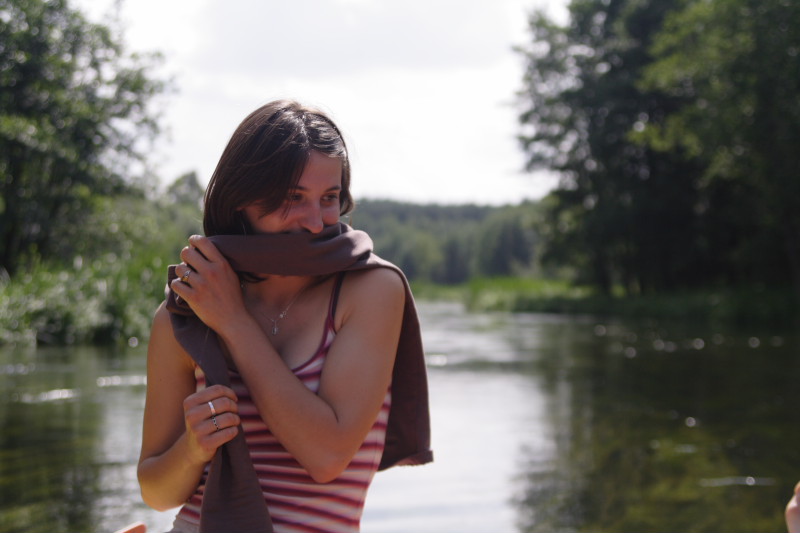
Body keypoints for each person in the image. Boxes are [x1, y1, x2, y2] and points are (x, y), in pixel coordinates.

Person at [137, 100, 432, 533]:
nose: (314, 222)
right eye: (293, 197)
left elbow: (327, 457)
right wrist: (192, 449)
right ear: (242, 199)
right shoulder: (186, 309)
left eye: (328, 198)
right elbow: (156, 493)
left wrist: (234, 323)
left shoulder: (370, 289)